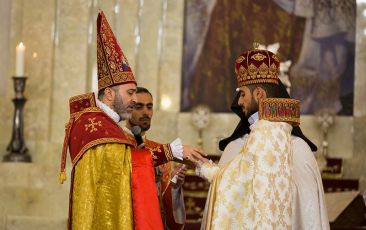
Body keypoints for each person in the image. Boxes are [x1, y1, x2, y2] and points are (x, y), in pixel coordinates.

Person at [59, 11, 205, 230]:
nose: (134, 100)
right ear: (109, 94)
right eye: (130, 93)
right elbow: (126, 163)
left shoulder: (105, 125)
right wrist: (170, 151)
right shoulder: (93, 125)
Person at [195, 48, 320, 229]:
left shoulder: (272, 138)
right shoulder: (299, 147)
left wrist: (202, 167)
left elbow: (232, 184)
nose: (239, 101)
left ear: (259, 94)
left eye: (243, 93)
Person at [123, 86, 186, 230]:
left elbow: (166, 208)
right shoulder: (117, 146)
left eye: (149, 107)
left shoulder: (160, 151)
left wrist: (174, 187)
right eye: (139, 107)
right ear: (128, 110)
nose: (146, 112)